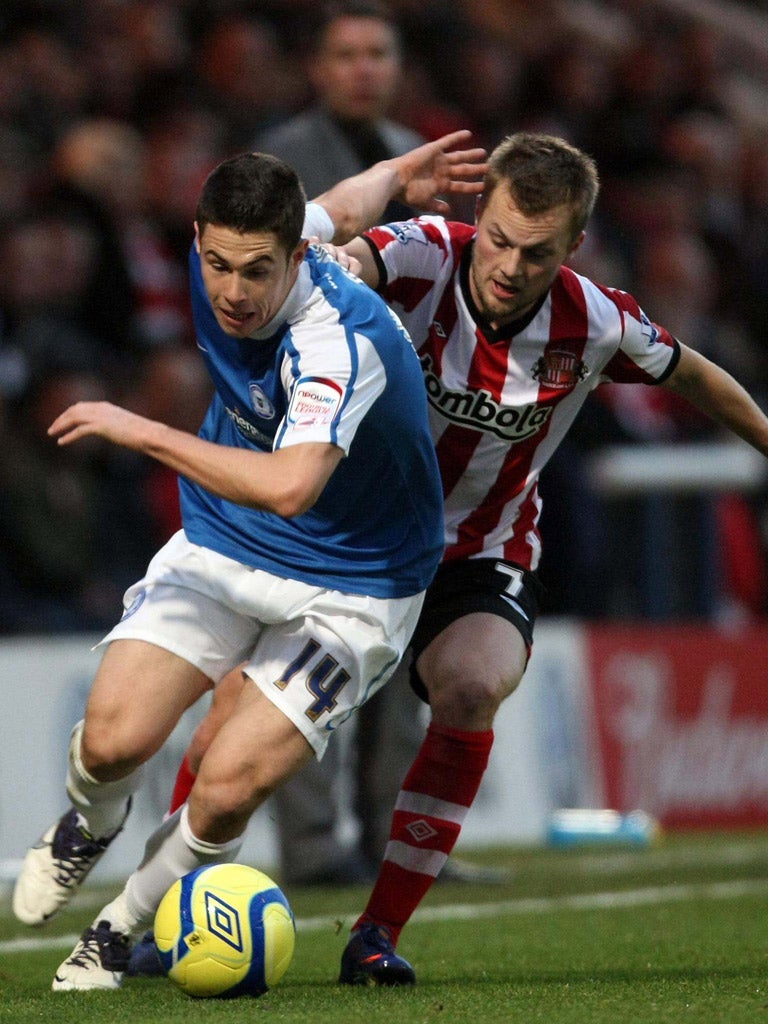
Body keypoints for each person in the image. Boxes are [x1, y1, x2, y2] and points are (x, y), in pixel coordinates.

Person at [153, 131, 768, 987]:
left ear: (575, 247)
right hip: (352, 540)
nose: (512, 266)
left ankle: (376, 936)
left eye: (539, 253)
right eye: (503, 240)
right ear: (482, 214)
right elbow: (329, 263)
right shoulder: (419, 256)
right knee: (231, 724)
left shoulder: (597, 322)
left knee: (474, 686)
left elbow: (698, 376)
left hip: (480, 550)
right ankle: (158, 914)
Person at [11, 131, 488, 993]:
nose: (233, 292)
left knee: (227, 790)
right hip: (229, 539)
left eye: (256, 271)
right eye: (219, 264)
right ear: (197, 238)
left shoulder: (340, 340)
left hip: (356, 583)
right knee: (113, 743)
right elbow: (342, 205)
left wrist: (145, 428)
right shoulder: (255, 234)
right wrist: (394, 175)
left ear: (296, 259)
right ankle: (91, 823)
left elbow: (293, 485)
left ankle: (117, 932)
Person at [253, 0, 455, 887]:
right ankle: (308, 846)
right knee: (303, 638)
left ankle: (387, 838)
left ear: (397, 64)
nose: (364, 67)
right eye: (348, 54)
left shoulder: (417, 150)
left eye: (379, 52)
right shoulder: (281, 159)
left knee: (395, 643)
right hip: (309, 419)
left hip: (401, 424)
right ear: (320, 68)